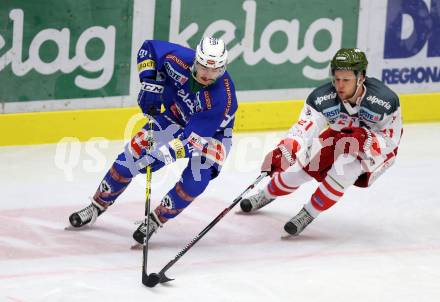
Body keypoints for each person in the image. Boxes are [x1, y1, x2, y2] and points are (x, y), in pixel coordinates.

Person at [69, 37, 237, 244]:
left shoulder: (223, 98)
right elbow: (147, 49)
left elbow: (193, 139)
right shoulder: (178, 58)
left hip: (211, 136)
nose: (207, 75)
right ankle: (97, 205)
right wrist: (150, 83)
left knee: (195, 182)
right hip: (173, 117)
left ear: (223, 67)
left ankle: (156, 220)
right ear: (196, 60)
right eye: (203, 67)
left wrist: (163, 155)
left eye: (216, 70)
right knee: (130, 158)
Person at [240, 48, 402, 236]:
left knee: (344, 169)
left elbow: (391, 140)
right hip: (339, 136)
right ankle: (266, 194)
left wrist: (366, 140)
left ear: (361, 78)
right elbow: (304, 129)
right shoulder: (322, 98)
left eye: (346, 80)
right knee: (300, 167)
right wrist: (286, 149)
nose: (339, 86)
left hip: (375, 149)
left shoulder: (384, 101)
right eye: (337, 78)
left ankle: (308, 213)